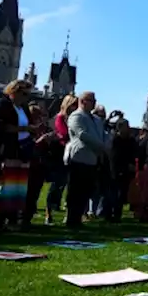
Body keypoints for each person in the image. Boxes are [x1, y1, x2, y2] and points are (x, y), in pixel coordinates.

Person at [0, 80, 32, 229]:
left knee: (14, 187)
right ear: (14, 91)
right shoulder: (2, 104)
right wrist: (24, 129)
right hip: (4, 150)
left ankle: (8, 217)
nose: (25, 97)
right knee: (0, 185)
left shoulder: (23, 107)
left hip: (20, 151)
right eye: (23, 93)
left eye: (28, 95)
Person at [63, 91, 106, 228]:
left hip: (92, 159)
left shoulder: (96, 120)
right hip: (79, 157)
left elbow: (104, 135)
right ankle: (71, 219)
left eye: (94, 100)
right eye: (91, 100)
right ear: (83, 101)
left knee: (86, 190)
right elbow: (82, 134)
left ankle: (79, 217)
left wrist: (105, 145)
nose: (94, 103)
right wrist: (100, 146)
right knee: (75, 190)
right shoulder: (76, 116)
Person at [46, 94, 77, 224]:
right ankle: (49, 213)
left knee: (64, 184)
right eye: (73, 104)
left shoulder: (71, 119)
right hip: (59, 155)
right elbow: (64, 134)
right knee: (56, 185)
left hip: (69, 155)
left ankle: (64, 212)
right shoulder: (59, 119)